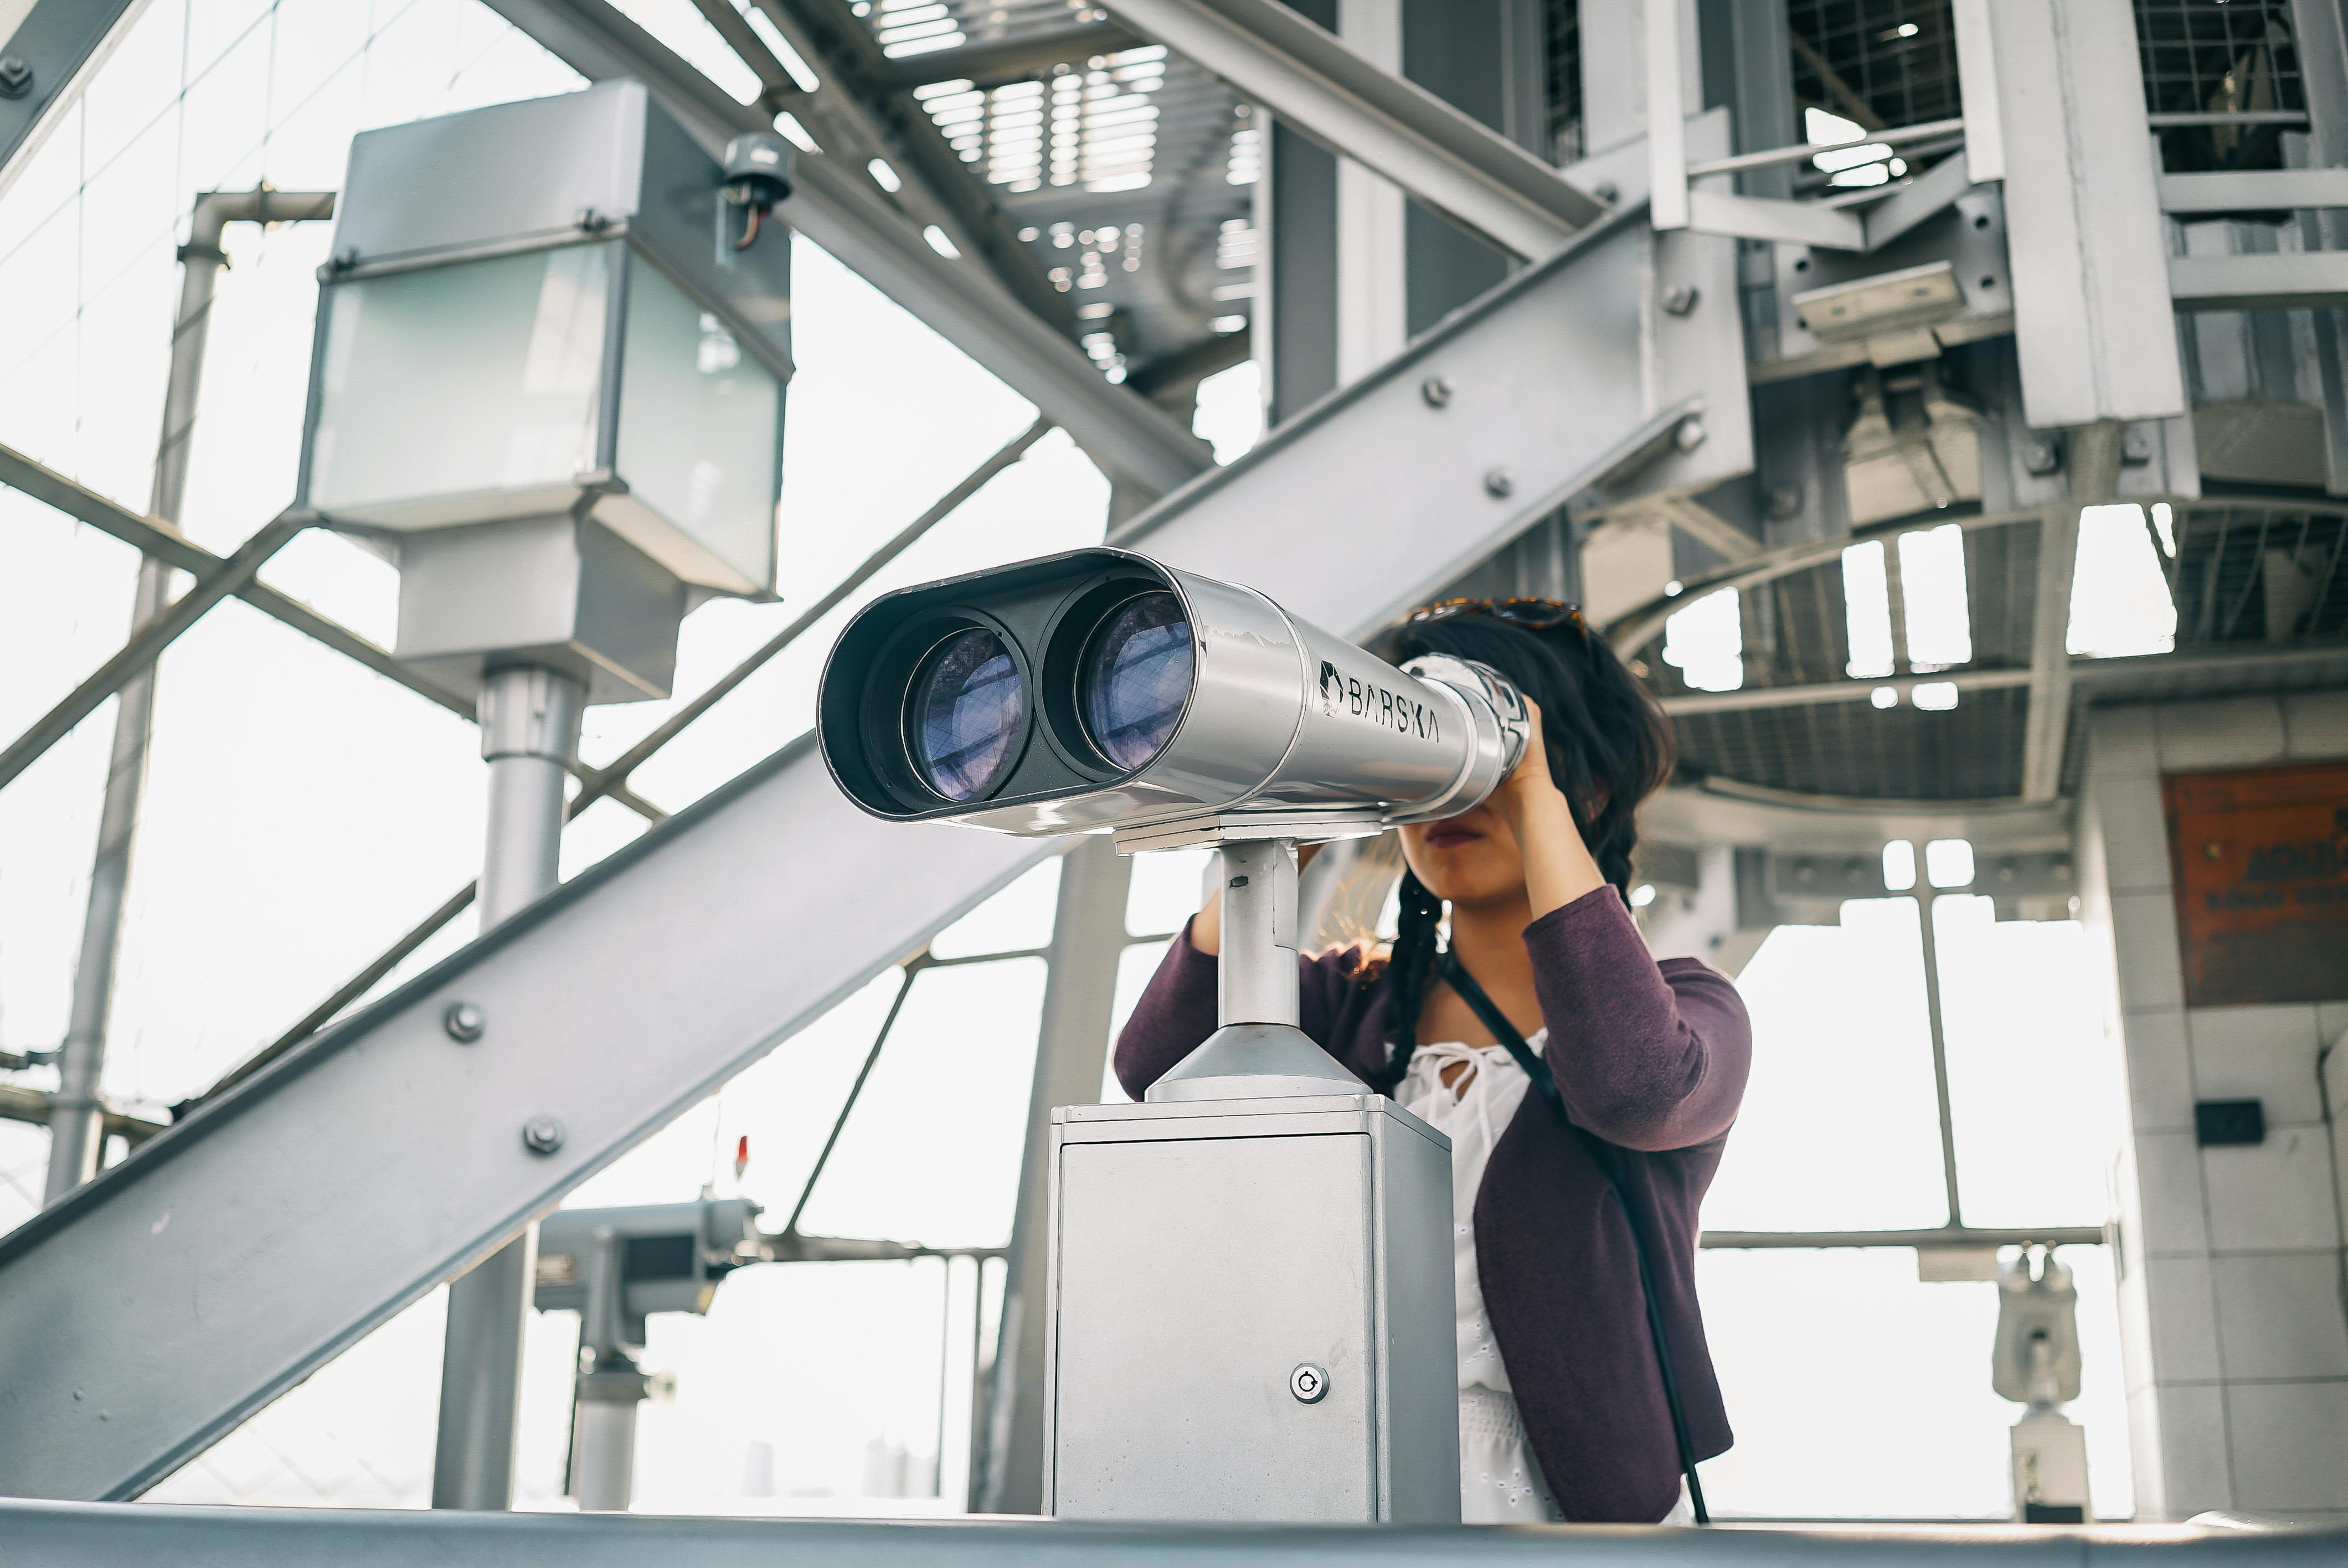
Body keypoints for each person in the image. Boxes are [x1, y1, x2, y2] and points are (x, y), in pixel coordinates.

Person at [1111, 596, 1752, 1526]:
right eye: (1432, 767)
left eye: (1482, 763)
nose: (1453, 796)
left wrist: (1531, 782)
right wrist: (1294, 800)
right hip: (1334, 1482)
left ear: (1591, 789)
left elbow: (1631, 1087)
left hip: (1571, 1517)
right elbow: (1158, 1069)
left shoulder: (1694, 1011)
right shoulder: (1350, 1006)